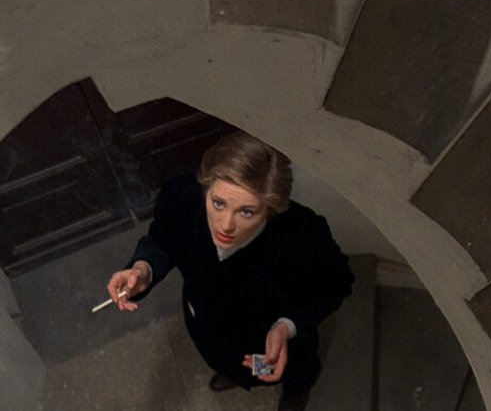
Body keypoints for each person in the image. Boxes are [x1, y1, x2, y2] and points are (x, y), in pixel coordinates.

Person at [105, 131, 354, 411]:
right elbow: (164, 239)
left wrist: (287, 326)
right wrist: (143, 269)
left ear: (270, 208)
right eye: (218, 203)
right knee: (225, 361)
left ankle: (295, 394)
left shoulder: (305, 235)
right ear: (206, 187)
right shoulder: (183, 196)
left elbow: (337, 284)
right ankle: (232, 372)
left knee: (296, 375)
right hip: (210, 329)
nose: (225, 225)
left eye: (246, 212)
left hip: (272, 341)